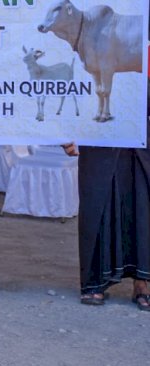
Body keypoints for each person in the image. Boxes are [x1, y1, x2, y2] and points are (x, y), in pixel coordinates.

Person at [63, 81, 150, 310]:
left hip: (146, 113)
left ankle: (144, 281)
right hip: (97, 115)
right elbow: (70, 80)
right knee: (96, 196)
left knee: (144, 198)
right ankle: (94, 282)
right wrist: (63, 129)